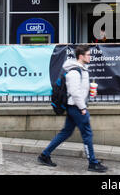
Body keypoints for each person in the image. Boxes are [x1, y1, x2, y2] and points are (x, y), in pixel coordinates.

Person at [38, 45, 108, 173]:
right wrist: (82, 108)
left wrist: (91, 92)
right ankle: (92, 163)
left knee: (65, 132)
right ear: (81, 56)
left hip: (75, 107)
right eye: (88, 55)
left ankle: (44, 155)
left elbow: (80, 90)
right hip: (76, 107)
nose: (90, 57)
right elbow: (74, 92)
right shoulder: (75, 72)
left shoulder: (82, 69)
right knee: (87, 134)